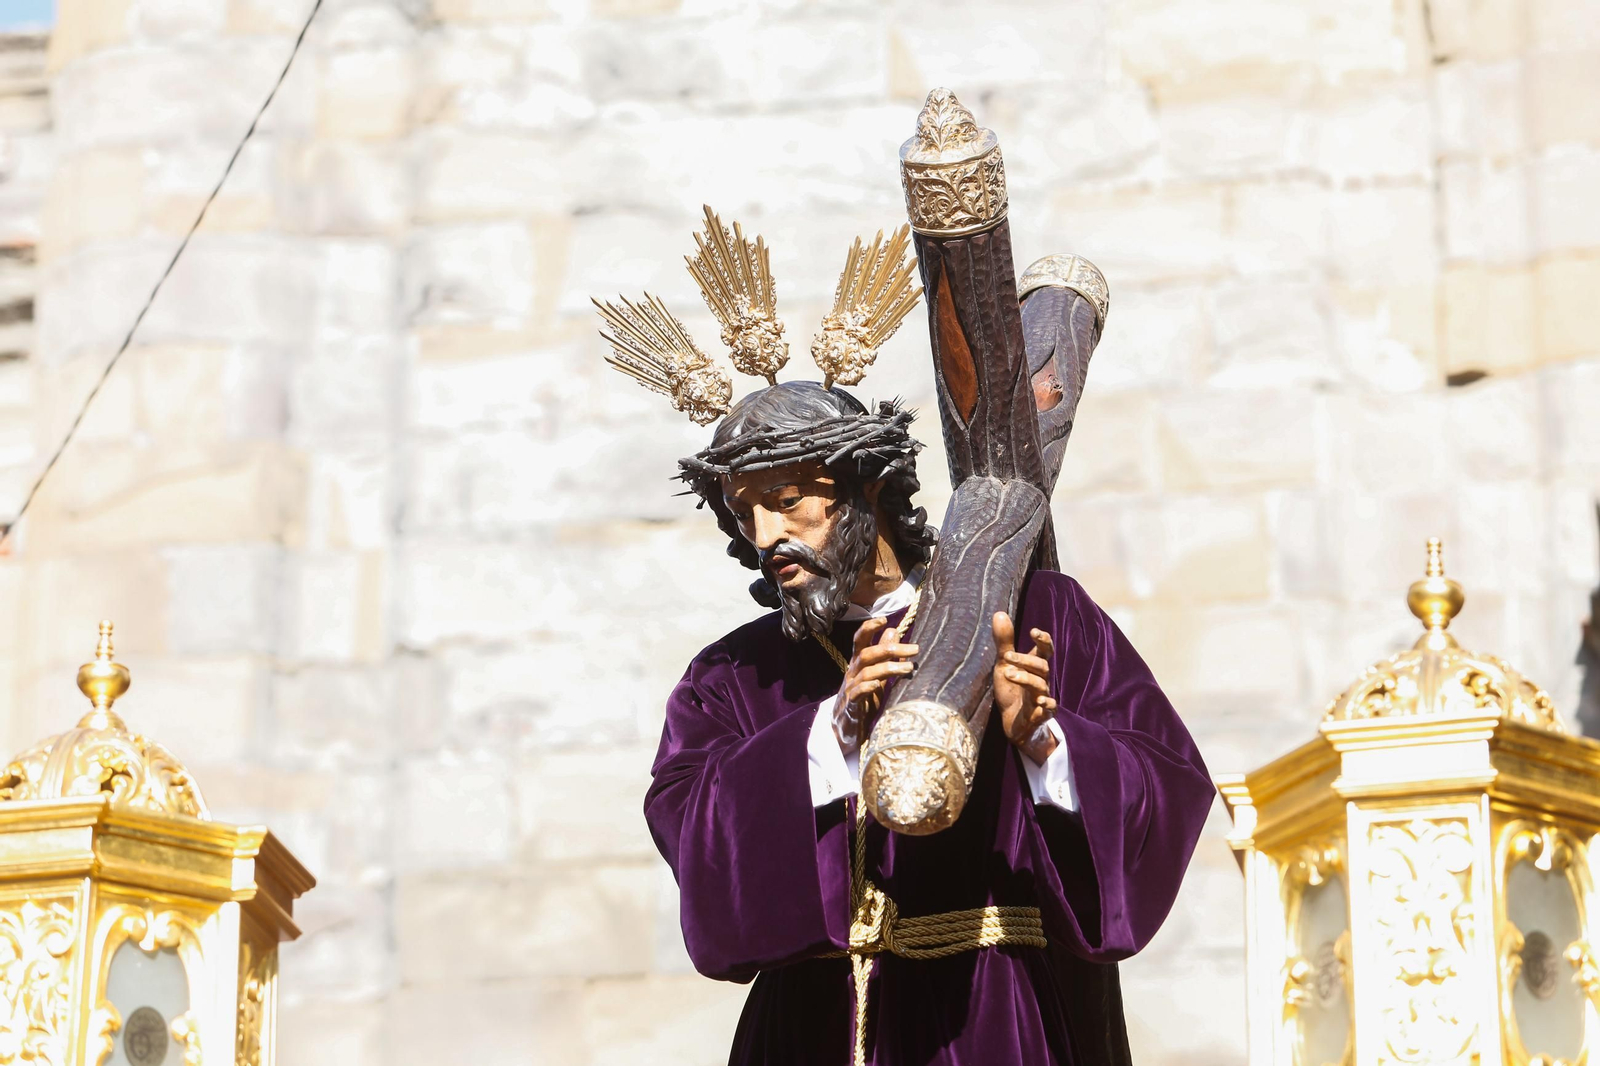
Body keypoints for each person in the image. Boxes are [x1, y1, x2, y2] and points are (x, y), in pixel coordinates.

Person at [643, 380, 1214, 1065]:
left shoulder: (1037, 613)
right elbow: (692, 827)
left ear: (867, 485)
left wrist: (1047, 745)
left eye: (788, 501)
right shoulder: (734, 673)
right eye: (744, 514)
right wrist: (830, 733)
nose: (766, 536)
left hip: (994, 1011)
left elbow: (1167, 779)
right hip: (813, 1031)